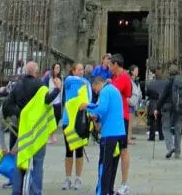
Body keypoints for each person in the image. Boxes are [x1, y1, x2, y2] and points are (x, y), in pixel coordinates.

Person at [3, 61, 58, 195]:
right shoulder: (40, 85)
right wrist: (58, 89)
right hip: (37, 131)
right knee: (38, 163)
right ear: (36, 72)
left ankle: (17, 190)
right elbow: (48, 100)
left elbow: (6, 107)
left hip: (20, 130)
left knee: (19, 160)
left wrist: (21, 113)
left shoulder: (17, 86)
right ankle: (35, 191)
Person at [88, 73, 126, 195]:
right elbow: (108, 111)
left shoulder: (105, 91)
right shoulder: (114, 90)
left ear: (98, 84)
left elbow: (102, 109)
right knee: (113, 164)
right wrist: (98, 117)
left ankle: (103, 192)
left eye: (95, 90)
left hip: (109, 134)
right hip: (120, 132)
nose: (96, 93)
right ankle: (109, 189)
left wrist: (89, 107)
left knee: (105, 165)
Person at [61, 62, 91, 190]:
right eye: (79, 69)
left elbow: (89, 100)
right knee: (69, 151)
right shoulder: (69, 81)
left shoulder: (87, 83)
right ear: (73, 71)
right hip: (68, 121)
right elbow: (69, 79)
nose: (81, 71)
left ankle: (78, 178)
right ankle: (67, 178)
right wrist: (81, 80)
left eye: (82, 69)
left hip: (80, 121)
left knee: (79, 151)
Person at [109, 53, 132, 195]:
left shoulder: (123, 77)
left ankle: (124, 184)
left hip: (121, 117)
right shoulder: (115, 77)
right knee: (115, 151)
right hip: (116, 116)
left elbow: (113, 93)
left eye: (111, 65)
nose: (109, 67)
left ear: (116, 65)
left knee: (123, 150)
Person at [158, 63, 182, 160]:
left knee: (166, 128)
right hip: (179, 108)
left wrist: (157, 107)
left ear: (169, 72)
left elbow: (162, 97)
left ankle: (170, 147)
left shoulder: (169, 82)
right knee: (178, 129)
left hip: (168, 108)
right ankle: (178, 152)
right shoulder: (181, 82)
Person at [145, 68, 165, 142]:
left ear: (155, 75)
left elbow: (147, 93)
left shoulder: (151, 83)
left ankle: (152, 136)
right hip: (161, 103)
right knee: (160, 120)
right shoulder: (165, 83)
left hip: (153, 102)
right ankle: (161, 136)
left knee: (152, 120)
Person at [48, 63, 63, 143]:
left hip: (58, 102)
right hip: (51, 102)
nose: (58, 69)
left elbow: (61, 89)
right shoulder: (49, 78)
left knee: (57, 118)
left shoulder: (61, 78)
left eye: (59, 67)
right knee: (51, 120)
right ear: (53, 69)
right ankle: (50, 136)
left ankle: (52, 134)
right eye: (56, 67)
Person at [128, 64, 141, 144]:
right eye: (136, 70)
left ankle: (129, 137)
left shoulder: (135, 81)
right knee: (129, 123)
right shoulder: (129, 80)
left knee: (130, 123)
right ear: (132, 71)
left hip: (133, 103)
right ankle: (128, 138)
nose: (138, 72)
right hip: (129, 103)